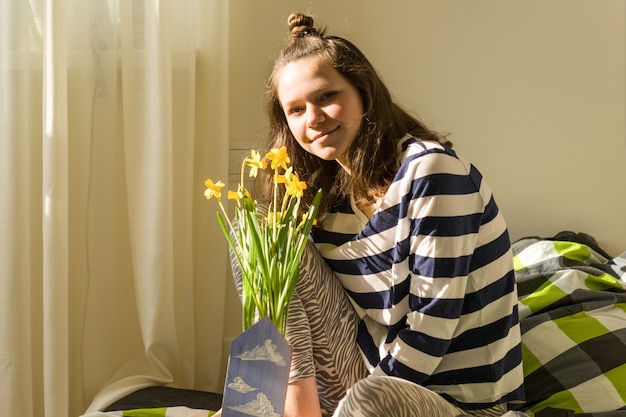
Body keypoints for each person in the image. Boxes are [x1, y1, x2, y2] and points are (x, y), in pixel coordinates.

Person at [225, 12, 525, 417]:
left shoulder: (433, 172)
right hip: (363, 378)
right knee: (259, 230)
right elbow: (284, 304)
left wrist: (356, 405)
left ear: (363, 91)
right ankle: (264, 408)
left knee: (370, 398)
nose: (313, 118)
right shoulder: (322, 201)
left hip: (458, 405)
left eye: (327, 96)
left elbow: (431, 328)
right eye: (295, 110)